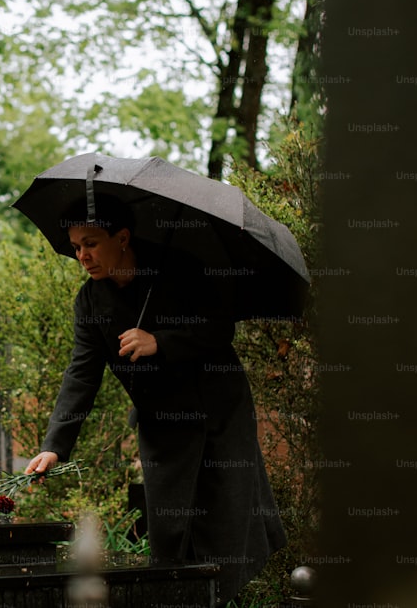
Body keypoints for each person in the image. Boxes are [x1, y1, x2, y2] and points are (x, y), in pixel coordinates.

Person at [25, 196, 286, 605]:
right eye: (76, 247)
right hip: (162, 424)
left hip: (219, 417)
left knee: (225, 527)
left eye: (91, 243)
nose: (83, 256)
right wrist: (54, 447)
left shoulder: (181, 270)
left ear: (122, 237)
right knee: (170, 533)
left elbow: (218, 332)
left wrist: (159, 342)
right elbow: (82, 373)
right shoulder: (89, 302)